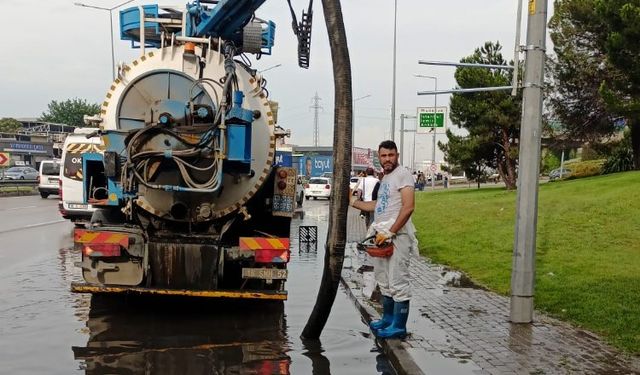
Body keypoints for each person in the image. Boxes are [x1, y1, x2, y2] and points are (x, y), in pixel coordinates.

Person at [349, 140, 417, 339]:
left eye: (391, 155)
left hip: (398, 236)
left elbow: (408, 206)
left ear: (397, 155)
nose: (387, 159)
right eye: (384, 156)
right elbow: (380, 205)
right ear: (379, 158)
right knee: (384, 280)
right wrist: (355, 203)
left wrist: (391, 232)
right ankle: (387, 319)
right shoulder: (386, 178)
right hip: (381, 235)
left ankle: (399, 326)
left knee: (398, 280)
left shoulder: (403, 174)